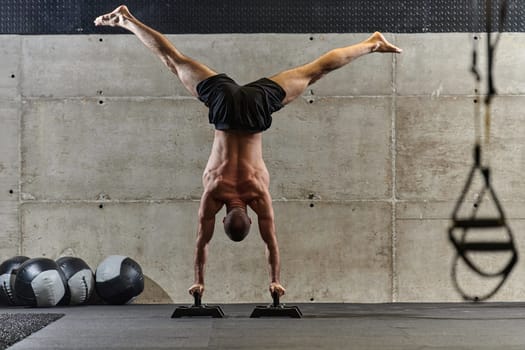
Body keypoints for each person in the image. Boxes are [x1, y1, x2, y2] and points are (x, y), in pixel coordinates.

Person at [95, 5, 402, 299]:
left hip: (255, 110)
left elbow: (271, 245)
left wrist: (275, 280)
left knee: (314, 72)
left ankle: (372, 44)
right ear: (223, 216)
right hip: (225, 110)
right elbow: (202, 242)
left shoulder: (257, 195)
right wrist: (198, 280)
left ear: (249, 220)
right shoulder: (214, 193)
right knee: (173, 61)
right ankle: (128, 20)